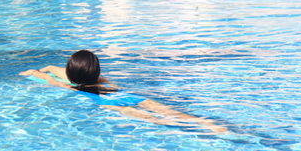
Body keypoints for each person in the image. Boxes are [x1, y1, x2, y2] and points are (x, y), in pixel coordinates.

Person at [19, 50, 227, 134]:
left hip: (109, 103)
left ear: (70, 74)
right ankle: (208, 123)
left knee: (156, 120)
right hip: (126, 95)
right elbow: (59, 71)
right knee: (173, 113)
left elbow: (47, 74)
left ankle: (204, 131)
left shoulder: (67, 85)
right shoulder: (103, 80)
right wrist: (49, 69)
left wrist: (37, 72)